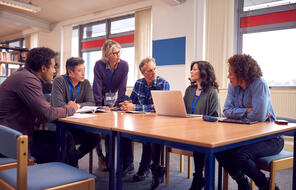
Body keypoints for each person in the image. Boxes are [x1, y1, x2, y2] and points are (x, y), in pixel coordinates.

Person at [216, 54, 283, 190]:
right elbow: (226, 111)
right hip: (244, 136)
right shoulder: (232, 86)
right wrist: (247, 111)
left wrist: (239, 113)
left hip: (270, 138)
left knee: (241, 156)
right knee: (219, 151)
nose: (228, 76)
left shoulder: (260, 84)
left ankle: (266, 185)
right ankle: (242, 182)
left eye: (230, 73)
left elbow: (258, 116)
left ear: (241, 73)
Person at [0, 47, 78, 161]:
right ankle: (70, 175)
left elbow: (39, 111)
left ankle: (70, 169)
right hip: (12, 144)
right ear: (43, 68)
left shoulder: (22, 75)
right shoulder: (28, 79)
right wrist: (70, 108)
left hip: (8, 137)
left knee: (66, 138)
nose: (55, 71)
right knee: (62, 145)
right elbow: (46, 114)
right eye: (53, 67)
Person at [120, 57, 170, 190]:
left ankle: (148, 168)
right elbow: (133, 102)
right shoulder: (139, 83)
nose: (153, 72)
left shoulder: (163, 84)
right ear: (143, 73)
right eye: (149, 70)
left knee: (149, 138)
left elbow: (158, 107)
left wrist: (135, 108)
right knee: (121, 133)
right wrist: (128, 104)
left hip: (159, 124)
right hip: (141, 121)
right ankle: (126, 164)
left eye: (154, 69)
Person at [93, 39, 134, 175]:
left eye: (119, 52)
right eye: (115, 53)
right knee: (101, 130)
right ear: (107, 54)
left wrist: (119, 105)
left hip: (115, 99)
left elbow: (123, 88)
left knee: (119, 128)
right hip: (101, 98)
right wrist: (100, 106)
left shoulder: (124, 65)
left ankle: (126, 163)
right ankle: (102, 157)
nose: (118, 56)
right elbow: (97, 87)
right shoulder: (99, 65)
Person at [51, 57, 99, 166]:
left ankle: (72, 159)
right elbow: (57, 105)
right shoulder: (59, 81)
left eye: (84, 70)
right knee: (68, 138)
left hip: (77, 123)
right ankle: (72, 163)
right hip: (60, 123)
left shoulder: (85, 83)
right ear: (70, 72)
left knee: (95, 136)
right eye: (79, 70)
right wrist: (74, 107)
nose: (83, 73)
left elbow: (91, 103)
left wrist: (76, 106)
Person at [183, 61, 221, 190]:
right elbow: (182, 110)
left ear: (203, 72)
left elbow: (215, 116)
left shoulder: (212, 91)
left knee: (198, 142)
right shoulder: (189, 90)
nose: (191, 72)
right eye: (191, 69)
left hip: (206, 132)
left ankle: (198, 177)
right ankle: (199, 177)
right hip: (189, 130)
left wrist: (198, 120)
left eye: (194, 69)